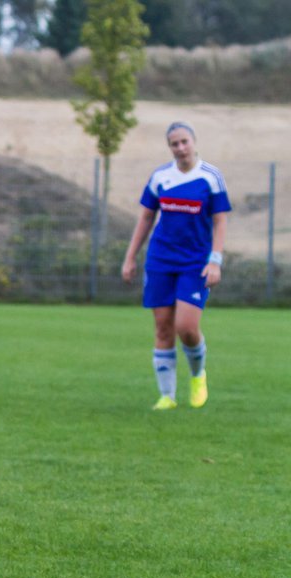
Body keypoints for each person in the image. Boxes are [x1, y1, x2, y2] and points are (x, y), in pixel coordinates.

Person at [122, 121, 229, 411]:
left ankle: (197, 375)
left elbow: (220, 221)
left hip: (195, 262)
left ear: (194, 142)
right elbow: (146, 218)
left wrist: (215, 260)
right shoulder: (160, 177)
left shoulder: (210, 177)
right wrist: (130, 256)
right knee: (163, 327)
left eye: (184, 142)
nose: (180, 148)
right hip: (160, 260)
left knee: (187, 327)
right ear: (169, 147)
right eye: (174, 144)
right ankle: (167, 396)